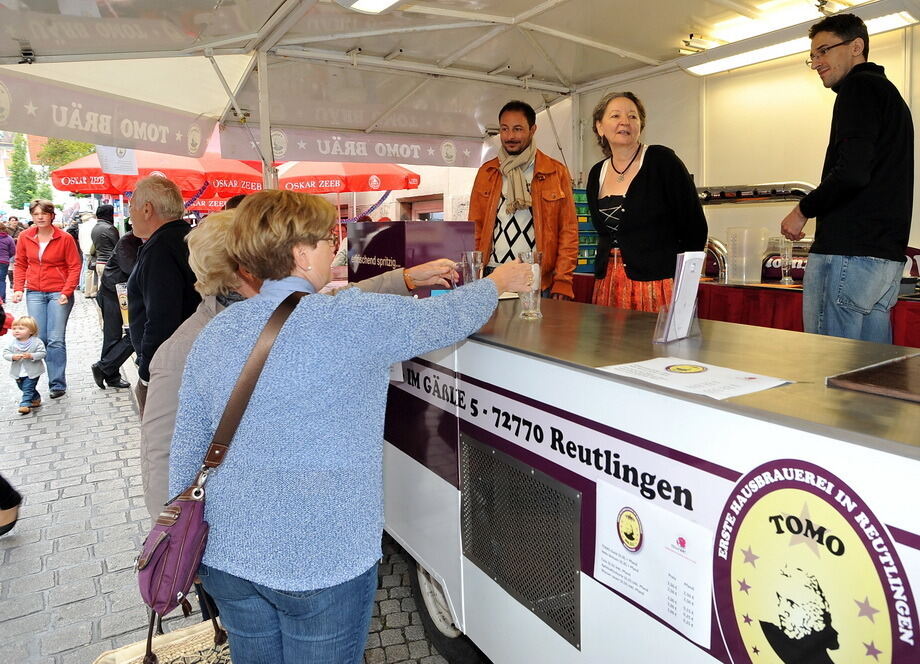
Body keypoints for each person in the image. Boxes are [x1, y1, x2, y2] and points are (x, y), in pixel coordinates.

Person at [168, 190, 531, 664]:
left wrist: (182, 536)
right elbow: (447, 317)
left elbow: (187, 446)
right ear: (299, 254)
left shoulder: (218, 332)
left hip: (228, 555)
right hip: (321, 559)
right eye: (326, 240)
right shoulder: (348, 320)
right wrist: (496, 280)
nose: (333, 249)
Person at [143, 210, 460, 518]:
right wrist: (179, 540)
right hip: (234, 528)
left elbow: (341, 300)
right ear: (246, 268)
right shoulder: (185, 348)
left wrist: (406, 277)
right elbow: (162, 457)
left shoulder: (283, 312)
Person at [780, 13, 913, 343]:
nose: (816, 63)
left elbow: (852, 172)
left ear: (856, 47)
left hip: (847, 256)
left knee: (830, 370)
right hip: (884, 260)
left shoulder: (858, 87)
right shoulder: (889, 95)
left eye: (823, 51)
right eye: (812, 56)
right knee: (872, 375)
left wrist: (803, 210)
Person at [587, 91, 708, 312]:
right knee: (609, 346)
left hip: (657, 284)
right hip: (608, 284)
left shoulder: (662, 161)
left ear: (641, 125)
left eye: (633, 116)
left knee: (652, 346)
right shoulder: (597, 173)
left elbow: (695, 227)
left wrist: (685, 284)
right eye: (615, 116)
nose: (625, 121)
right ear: (600, 127)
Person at [468, 100, 579, 300]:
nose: (510, 136)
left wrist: (563, 280)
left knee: (535, 331)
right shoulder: (487, 172)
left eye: (518, 129)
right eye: (504, 129)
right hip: (494, 276)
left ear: (533, 129)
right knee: (489, 332)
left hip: (536, 278)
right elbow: (474, 228)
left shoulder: (555, 171)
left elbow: (568, 231)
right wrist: (474, 276)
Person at [127, 176, 202, 415]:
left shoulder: (160, 249)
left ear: (147, 209)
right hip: (188, 358)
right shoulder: (187, 238)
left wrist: (147, 372)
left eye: (131, 207)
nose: (130, 214)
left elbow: (161, 317)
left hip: (169, 367)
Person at [11, 199, 83, 399]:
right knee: (39, 338)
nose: (40, 217)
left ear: (52, 215)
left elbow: (74, 266)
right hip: (34, 291)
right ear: (32, 217)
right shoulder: (25, 237)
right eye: (36, 214)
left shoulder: (65, 238)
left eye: (44, 213)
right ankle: (32, 385)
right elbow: (20, 264)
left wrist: (66, 291)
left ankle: (57, 383)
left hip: (58, 292)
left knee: (55, 339)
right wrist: (18, 288)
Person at [92, 230, 142, 390]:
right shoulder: (128, 241)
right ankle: (109, 372)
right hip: (113, 293)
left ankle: (105, 369)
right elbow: (132, 269)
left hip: (124, 294)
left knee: (132, 335)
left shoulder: (143, 240)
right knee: (118, 336)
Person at [4, 315, 47, 415]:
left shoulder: (36, 342)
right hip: (18, 372)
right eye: (14, 328)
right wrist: (12, 357)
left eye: (21, 328)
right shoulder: (12, 343)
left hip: (33, 371)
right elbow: (5, 353)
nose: (16, 331)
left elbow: (42, 353)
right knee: (22, 387)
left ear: (31, 331)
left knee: (27, 388)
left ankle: (24, 404)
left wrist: (31, 355)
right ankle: (35, 398)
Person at [90, 204, 119, 291]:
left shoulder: (95, 228)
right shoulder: (109, 228)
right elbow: (118, 246)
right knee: (111, 293)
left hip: (99, 262)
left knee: (105, 290)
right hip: (109, 264)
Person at [0, 222, 15, 302]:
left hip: (4, 260)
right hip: (4, 261)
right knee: (1, 280)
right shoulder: (9, 238)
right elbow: (13, 250)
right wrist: (6, 257)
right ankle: (2, 299)